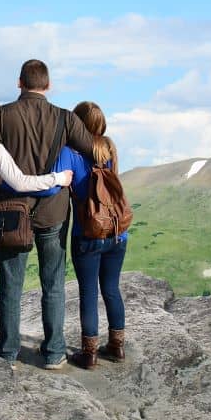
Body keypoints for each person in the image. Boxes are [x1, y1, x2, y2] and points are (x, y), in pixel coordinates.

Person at [0, 60, 93, 369]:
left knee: (11, 283)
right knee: (53, 284)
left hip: (12, 213)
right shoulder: (66, 119)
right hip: (53, 211)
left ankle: (8, 349)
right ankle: (54, 352)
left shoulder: (1, 115)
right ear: (48, 86)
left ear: (19, 83)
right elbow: (92, 149)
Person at [60, 102, 127, 368]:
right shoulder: (109, 148)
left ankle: (89, 354)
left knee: (88, 292)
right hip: (116, 232)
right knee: (111, 288)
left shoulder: (70, 153)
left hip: (86, 233)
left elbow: (59, 184)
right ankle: (117, 347)